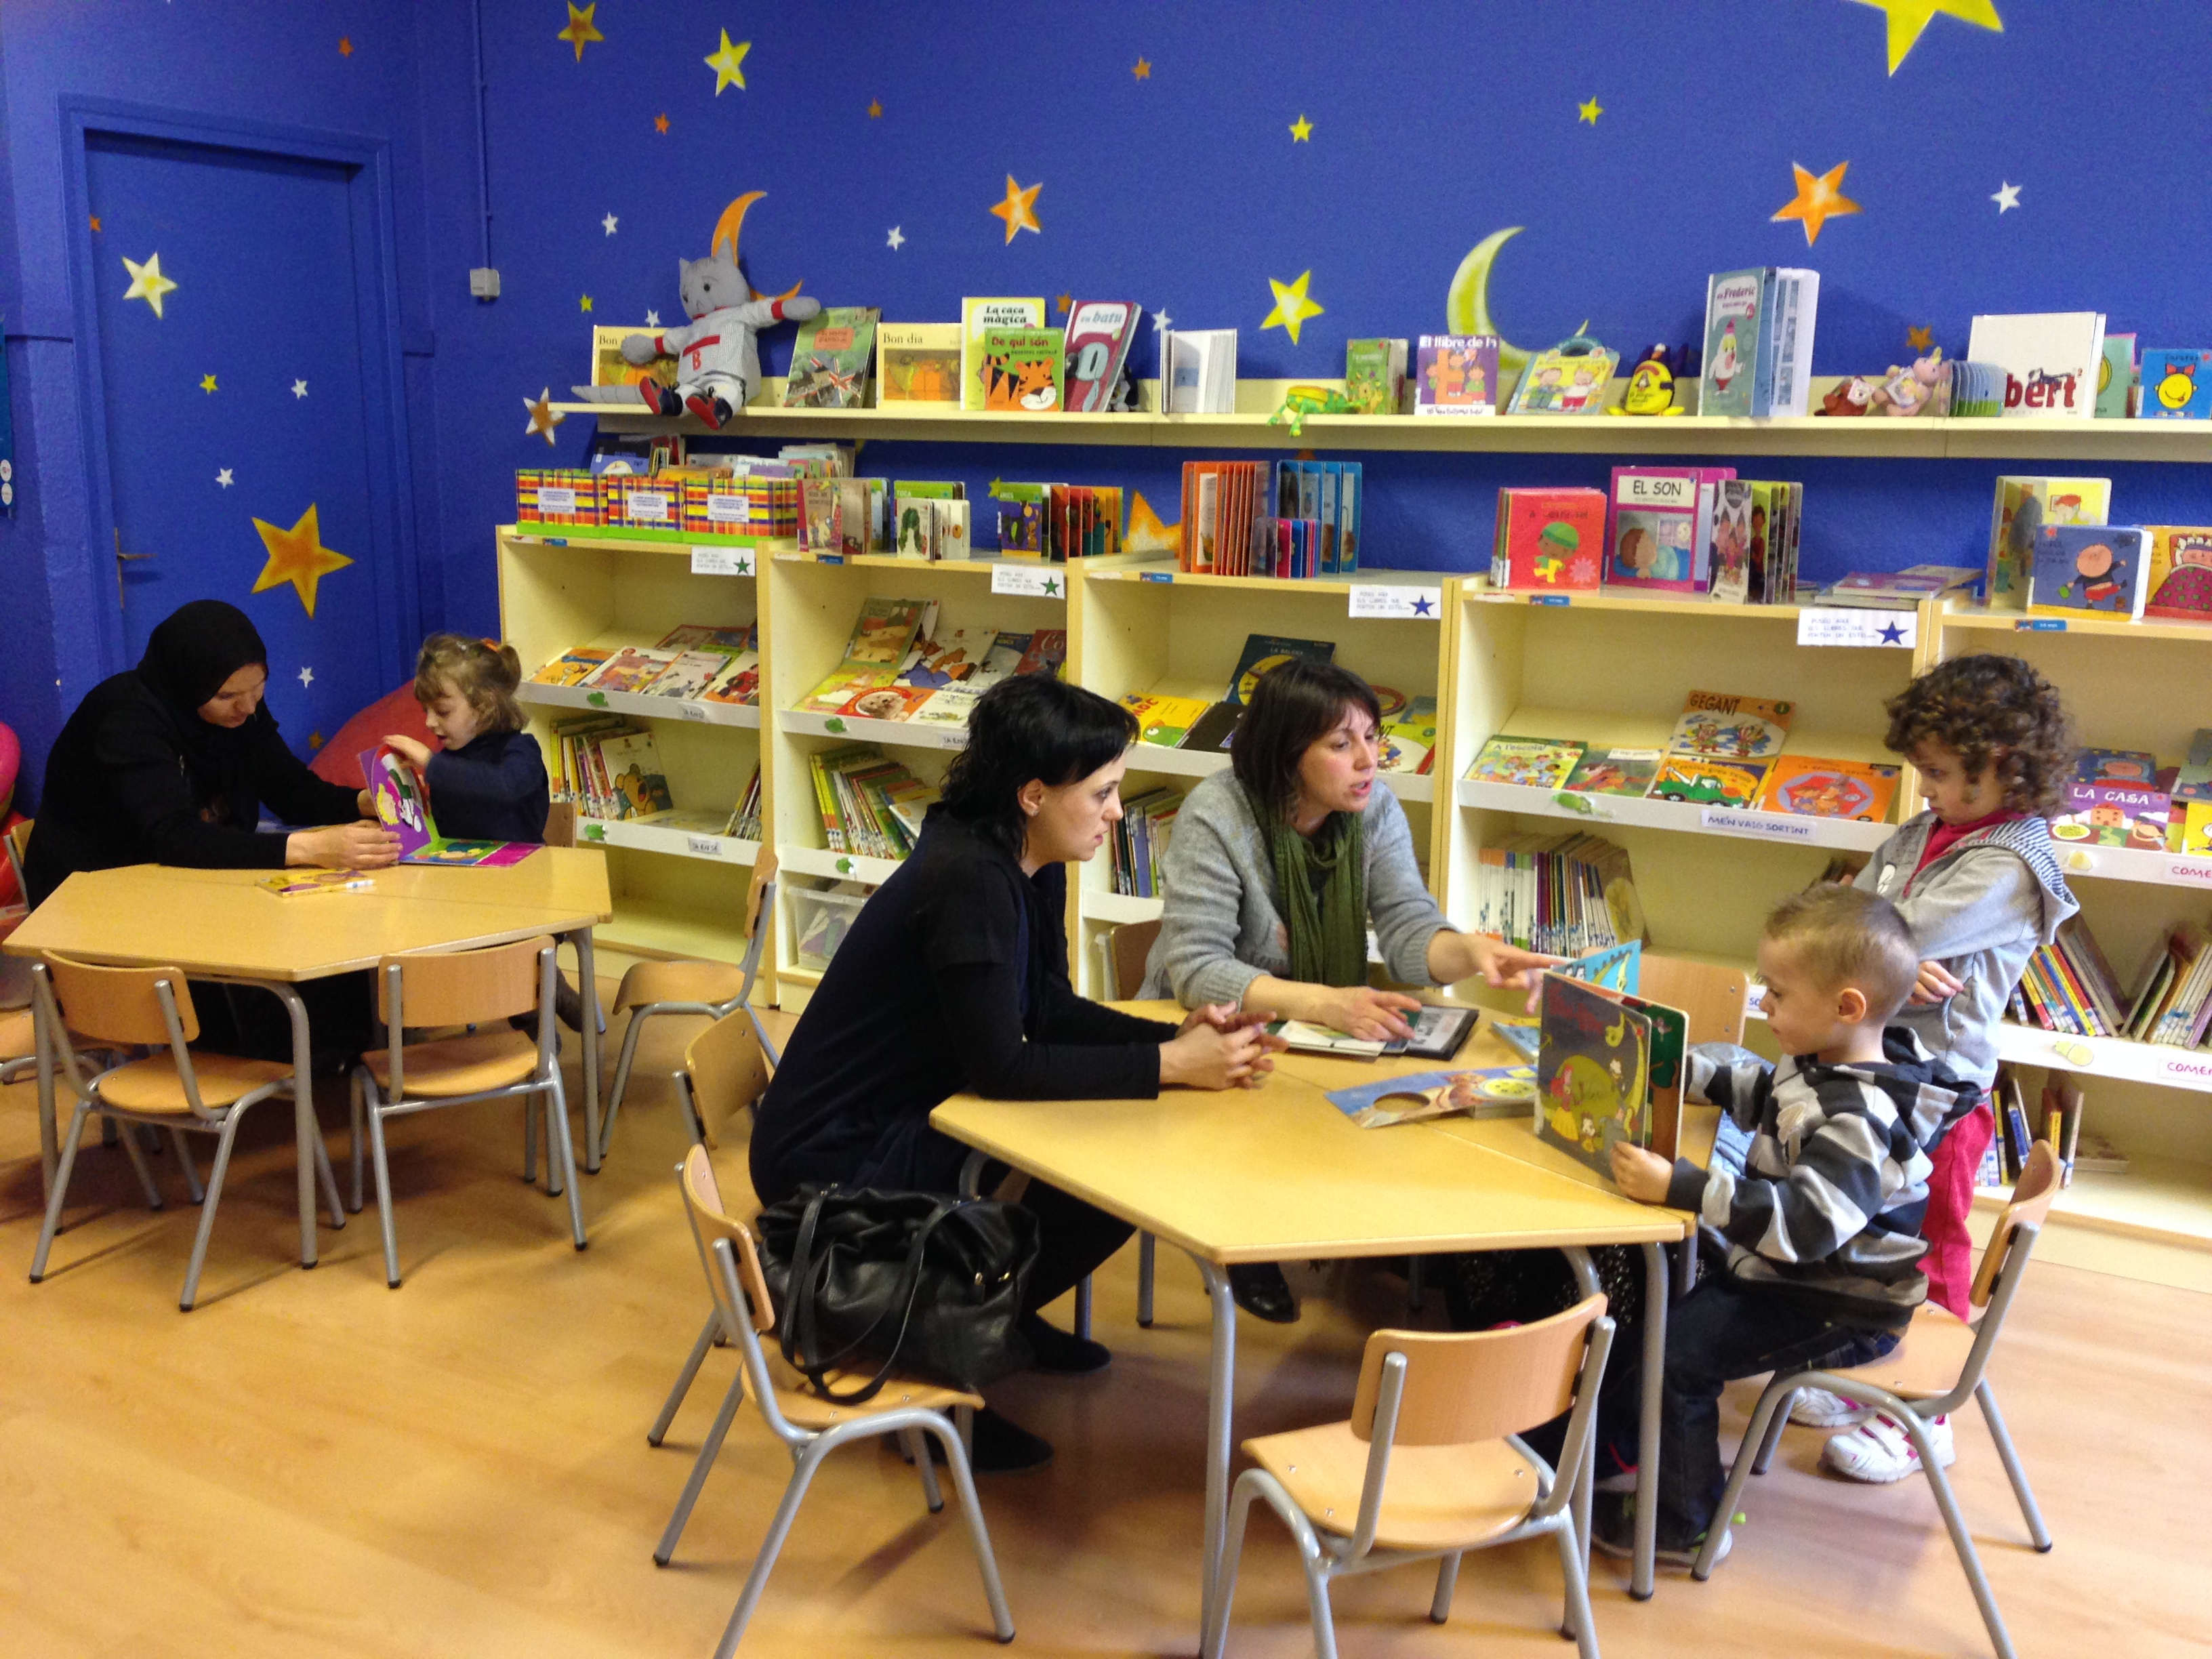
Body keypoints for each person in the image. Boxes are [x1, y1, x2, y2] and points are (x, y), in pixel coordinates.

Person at [749, 674, 1281, 1473]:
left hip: (915, 1105)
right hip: (835, 1150)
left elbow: (1050, 1009)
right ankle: (941, 1373)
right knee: (1106, 1160)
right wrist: (1171, 1063)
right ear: (1033, 794)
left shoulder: (1027, 854)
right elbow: (1002, 1065)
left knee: (1117, 1158)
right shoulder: (969, 879)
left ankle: (999, 1317)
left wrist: (1176, 1037)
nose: (1116, 812)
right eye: (1101, 793)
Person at [1139, 659, 1551, 1321]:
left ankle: (1360, 1229)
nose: (1369, 760)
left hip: (1315, 1025)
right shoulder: (1217, 815)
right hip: (1211, 1030)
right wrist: (1325, 1002)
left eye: (1372, 737)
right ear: (1286, 755)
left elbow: (1408, 928)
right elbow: (1196, 970)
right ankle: (1242, 1237)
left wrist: (1469, 953)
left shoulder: (1375, 809)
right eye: (1341, 743)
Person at [1596, 884, 1981, 1564]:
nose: (1763, 1003)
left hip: (1840, 1301)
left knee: (1677, 1357)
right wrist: (1675, 1070)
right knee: (1660, 1307)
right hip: (1798, 1273)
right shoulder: (1823, 1061)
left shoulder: (1860, 1119)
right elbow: (1761, 1094)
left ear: (1846, 1007)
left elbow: (1802, 1228)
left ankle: (1686, 1524)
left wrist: (1681, 1187)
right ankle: (1625, 1445)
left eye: (1776, 992)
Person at [1787, 653, 2077, 1482]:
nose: (1926, 789)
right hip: (1875, 1075)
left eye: (1943, 774)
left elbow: (1856, 929)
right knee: (1867, 1233)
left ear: (2006, 766)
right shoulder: (1928, 830)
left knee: (1932, 1246)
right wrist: (1893, 956)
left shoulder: (2011, 863)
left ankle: (1925, 1418)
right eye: (1924, 771)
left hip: (1940, 1093)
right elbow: (1840, 916)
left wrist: (1878, 944)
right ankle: (1873, 1367)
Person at [22, 598, 399, 1058]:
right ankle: (247, 1059)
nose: (247, 708)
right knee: (260, 936)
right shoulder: (127, 718)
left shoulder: (240, 707)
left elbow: (289, 788)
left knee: (325, 921)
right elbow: (175, 837)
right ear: (188, 683)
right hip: (95, 893)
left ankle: (322, 1056)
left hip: (182, 879)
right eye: (227, 696)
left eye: (258, 689)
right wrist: (308, 848)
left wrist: (361, 802)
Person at [378, 634, 550, 844]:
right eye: (426, 711)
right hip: (461, 863)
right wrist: (418, 802)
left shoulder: (523, 750)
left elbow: (505, 787)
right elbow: (446, 831)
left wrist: (432, 764)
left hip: (524, 863)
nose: (429, 722)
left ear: (485, 705)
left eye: (443, 711)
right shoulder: (450, 759)